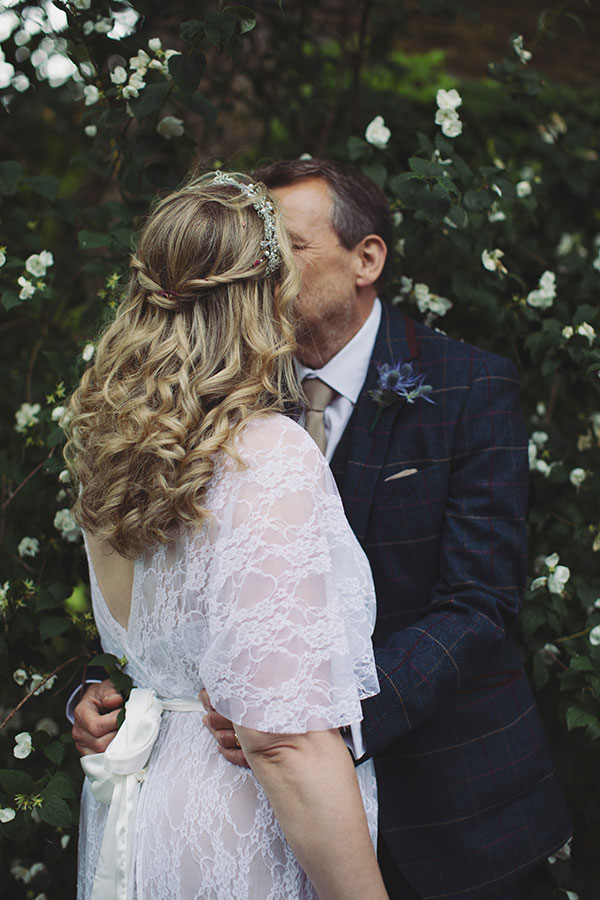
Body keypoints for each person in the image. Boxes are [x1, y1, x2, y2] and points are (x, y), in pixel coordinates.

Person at [73, 160, 573, 900]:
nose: (280, 268)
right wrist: (107, 691)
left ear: (366, 257)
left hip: (448, 807)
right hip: (259, 807)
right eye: (269, 254)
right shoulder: (227, 419)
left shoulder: (469, 385)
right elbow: (180, 616)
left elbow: (479, 601)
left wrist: (325, 712)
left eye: (291, 245)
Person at [65, 170, 389, 900]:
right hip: (235, 824)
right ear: (267, 296)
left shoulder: (113, 445)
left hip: (144, 803)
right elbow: (284, 741)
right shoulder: (264, 454)